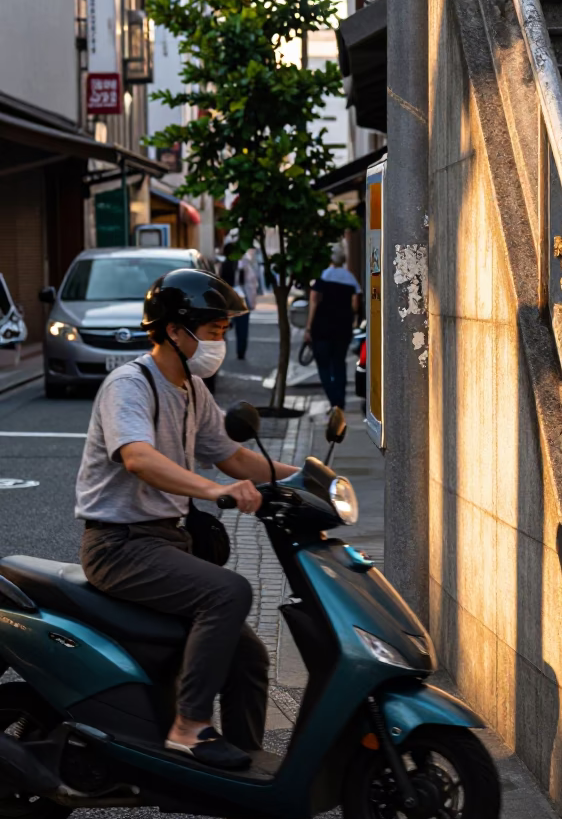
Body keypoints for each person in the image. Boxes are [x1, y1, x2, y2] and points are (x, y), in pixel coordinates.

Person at [75, 269, 300, 789]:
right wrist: (212, 491)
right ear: (175, 330)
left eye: (223, 329)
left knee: (249, 657)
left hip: (165, 541)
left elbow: (233, 455)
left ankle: (245, 797)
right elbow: (138, 459)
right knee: (229, 593)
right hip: (119, 545)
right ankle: (189, 725)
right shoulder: (129, 386)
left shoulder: (192, 389)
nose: (220, 339)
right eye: (213, 329)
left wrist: (308, 480)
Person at [304, 242, 361, 410]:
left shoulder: (323, 276)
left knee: (323, 365)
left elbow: (314, 301)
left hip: (321, 328)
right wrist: (352, 318)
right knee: (339, 363)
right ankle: (340, 401)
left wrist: (308, 327)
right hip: (342, 328)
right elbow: (356, 303)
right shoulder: (350, 278)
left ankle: (333, 399)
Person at [233, 247, 262, 360]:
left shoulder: (227, 263)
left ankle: (237, 351)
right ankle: (241, 351)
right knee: (242, 328)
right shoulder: (245, 263)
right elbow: (250, 285)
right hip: (241, 299)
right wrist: (251, 303)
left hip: (229, 299)